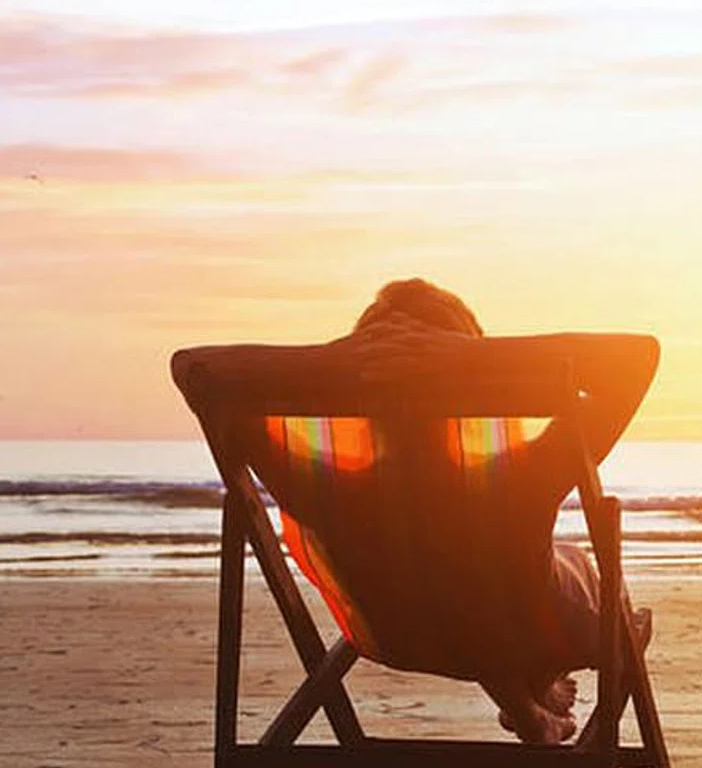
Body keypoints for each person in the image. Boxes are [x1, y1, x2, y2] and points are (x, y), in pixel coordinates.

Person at [255, 278, 631, 744]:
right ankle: (536, 684)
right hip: (524, 632)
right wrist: (463, 357)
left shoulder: (324, 486)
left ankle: (529, 702)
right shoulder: (518, 479)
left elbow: (192, 369)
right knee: (560, 577)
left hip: (399, 637)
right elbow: (636, 361)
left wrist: (343, 361)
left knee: (469, 590)